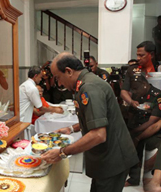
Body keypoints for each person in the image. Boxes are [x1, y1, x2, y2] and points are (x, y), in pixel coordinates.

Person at [42, 52, 139, 192]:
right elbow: (95, 119)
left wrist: (62, 152)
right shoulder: (86, 83)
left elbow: (98, 134)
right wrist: (71, 129)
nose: (59, 83)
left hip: (112, 159)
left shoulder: (89, 88)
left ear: (68, 71)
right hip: (107, 158)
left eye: (58, 78)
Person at [126, 74, 161, 186]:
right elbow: (130, 114)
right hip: (137, 127)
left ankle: (134, 178)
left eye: (135, 88)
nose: (133, 91)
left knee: (136, 141)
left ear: (144, 85)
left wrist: (134, 133)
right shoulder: (137, 95)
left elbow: (152, 122)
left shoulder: (159, 97)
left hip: (153, 131)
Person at [121, 41, 156, 109]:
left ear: (151, 55)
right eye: (137, 55)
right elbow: (124, 91)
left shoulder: (159, 68)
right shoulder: (132, 70)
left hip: (155, 108)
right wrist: (131, 102)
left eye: (141, 55)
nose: (138, 58)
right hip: (137, 108)